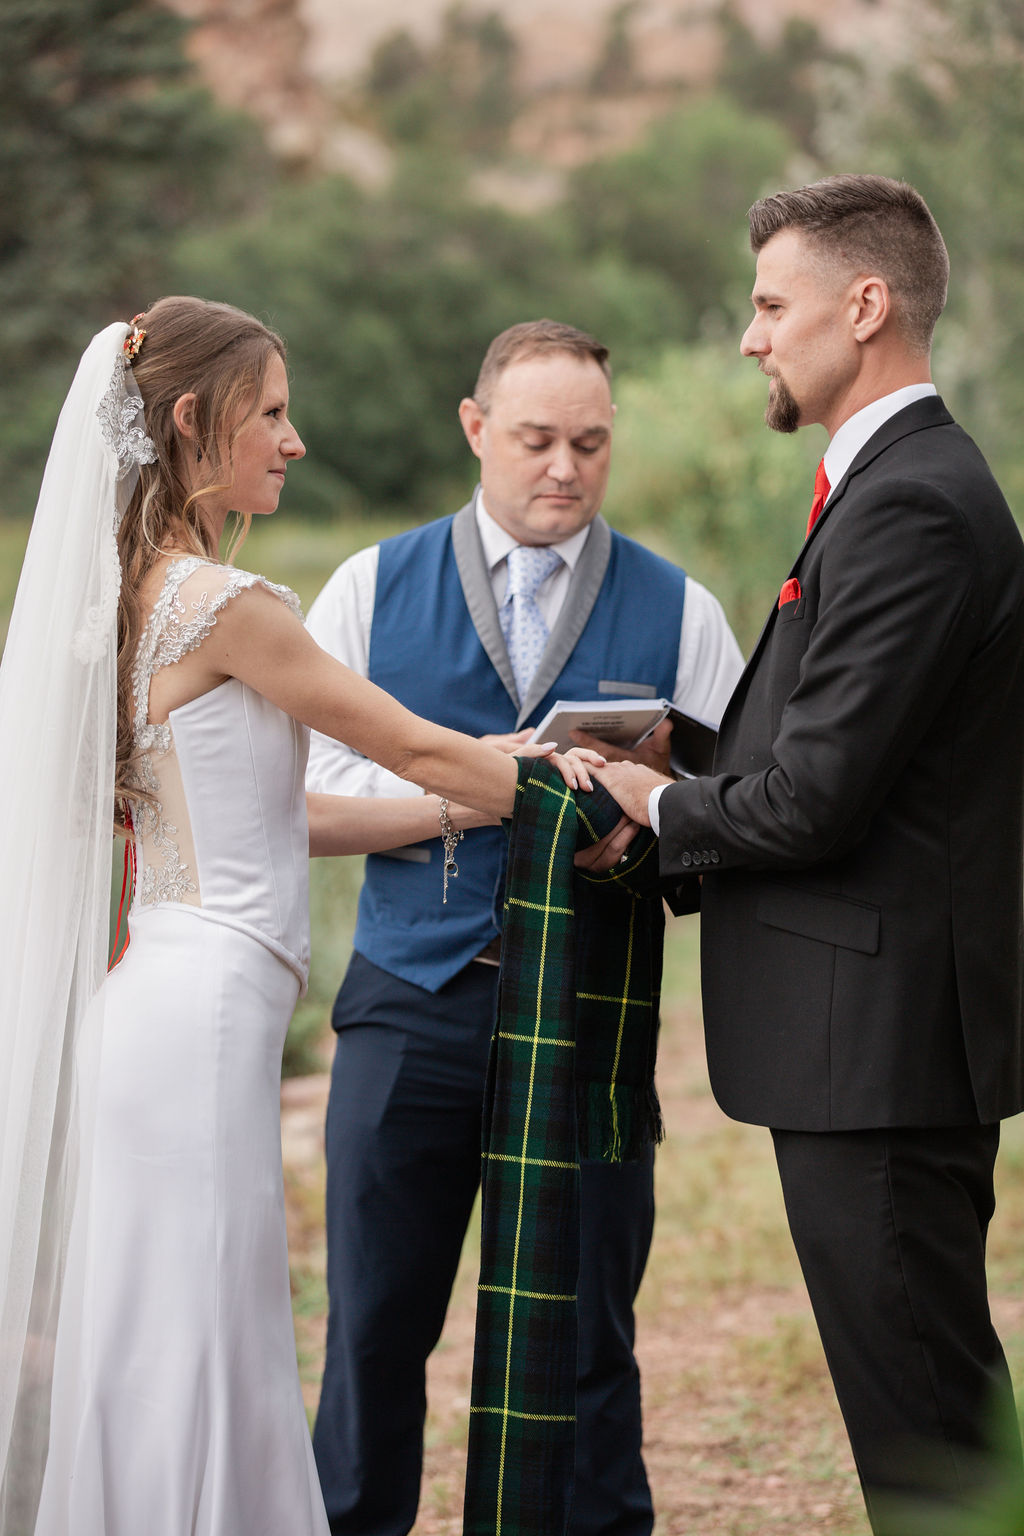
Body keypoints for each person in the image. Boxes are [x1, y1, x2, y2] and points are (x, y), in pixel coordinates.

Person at [0, 297, 598, 1536]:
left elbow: (291, 816)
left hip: (158, 1001)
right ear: (187, 420)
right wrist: (582, 793)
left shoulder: (120, 601)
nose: (294, 440)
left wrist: (471, 802)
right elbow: (401, 738)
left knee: (161, 1340)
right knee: (208, 1338)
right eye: (270, 411)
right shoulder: (226, 603)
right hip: (208, 1012)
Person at [592, 174, 1024, 1531]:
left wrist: (649, 803)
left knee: (930, 1434)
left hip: (883, 1056)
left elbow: (820, 799)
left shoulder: (912, 502)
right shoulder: (891, 485)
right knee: (926, 1408)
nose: (751, 335)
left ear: (868, 303)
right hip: (871, 1049)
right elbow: (840, 754)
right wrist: (687, 754)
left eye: (773, 304)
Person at [305, 318, 744, 1536]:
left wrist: (649, 830)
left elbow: (736, 812)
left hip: (589, 1020)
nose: (565, 467)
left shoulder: (682, 610)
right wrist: (464, 796)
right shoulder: (367, 587)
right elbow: (301, 799)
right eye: (539, 439)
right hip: (409, 1004)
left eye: (591, 444)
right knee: (376, 1327)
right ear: (475, 428)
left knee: (586, 1330)